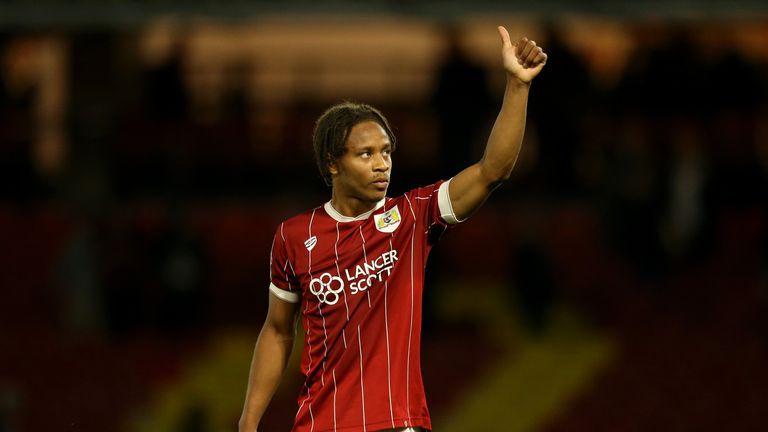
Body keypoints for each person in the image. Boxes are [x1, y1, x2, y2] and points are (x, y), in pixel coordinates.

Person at [239, 26, 547, 432]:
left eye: (386, 152)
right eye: (366, 154)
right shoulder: (294, 236)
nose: (382, 163)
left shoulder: (414, 217)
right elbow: (278, 331)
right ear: (333, 163)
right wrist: (248, 422)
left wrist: (517, 87)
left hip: (399, 424)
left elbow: (493, 171)